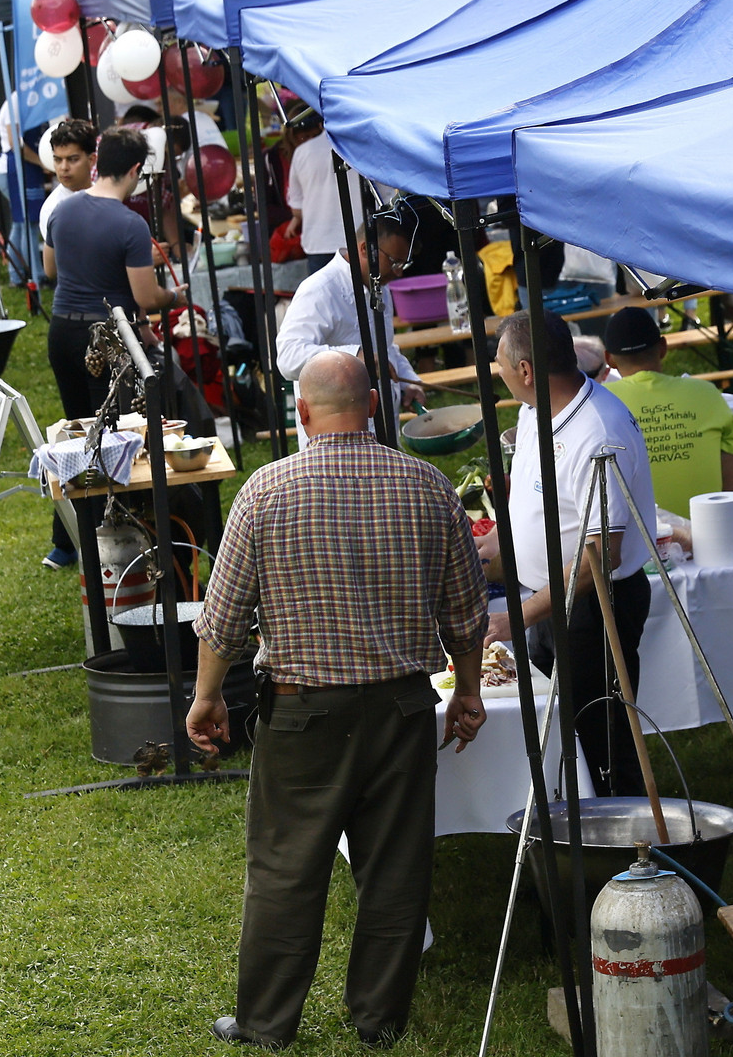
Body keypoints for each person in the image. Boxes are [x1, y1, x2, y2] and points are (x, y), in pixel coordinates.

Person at [188, 351, 488, 1051]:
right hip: (402, 710)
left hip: (302, 712)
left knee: (286, 868)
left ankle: (266, 1022)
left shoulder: (265, 492)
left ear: (300, 413)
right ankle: (379, 1017)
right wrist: (468, 690)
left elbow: (223, 618)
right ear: (375, 406)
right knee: (396, 866)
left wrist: (207, 698)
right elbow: (467, 613)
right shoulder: (427, 485)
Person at [482, 309, 660, 797]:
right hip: (549, 600)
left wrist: (515, 617)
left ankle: (629, 848)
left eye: (499, 362)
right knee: (561, 728)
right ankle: (572, 826)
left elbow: (599, 558)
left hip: (594, 610)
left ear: (525, 371)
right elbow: (539, 505)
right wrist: (489, 545)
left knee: (601, 737)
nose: (497, 371)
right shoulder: (535, 409)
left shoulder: (597, 433)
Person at [40, 127, 186, 569]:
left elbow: (51, 270)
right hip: (104, 340)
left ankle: (68, 543)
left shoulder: (62, 211)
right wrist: (174, 296)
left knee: (76, 439)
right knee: (116, 438)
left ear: (98, 161)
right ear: (137, 170)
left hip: (62, 333)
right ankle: (123, 534)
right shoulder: (130, 223)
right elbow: (145, 298)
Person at [274, 211, 424, 451]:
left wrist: (410, 382)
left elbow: (384, 349)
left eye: (403, 263)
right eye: (394, 262)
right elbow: (288, 358)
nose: (399, 272)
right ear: (364, 249)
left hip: (379, 433)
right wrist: (354, 357)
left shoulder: (379, 287)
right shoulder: (319, 289)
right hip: (332, 443)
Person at [602, 306, 733, 515]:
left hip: (638, 541)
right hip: (712, 532)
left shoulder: (601, 403)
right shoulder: (706, 394)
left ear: (609, 359)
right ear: (663, 347)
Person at [283, 111, 365, 275]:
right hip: (361, 239)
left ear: (321, 123)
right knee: (366, 298)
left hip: (319, 241)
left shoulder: (302, 152)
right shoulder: (365, 149)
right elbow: (386, 199)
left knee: (325, 297)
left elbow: (297, 208)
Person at [36, 117, 99, 287]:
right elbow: (59, 268)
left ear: (91, 160)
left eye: (72, 159)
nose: (63, 167)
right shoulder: (53, 208)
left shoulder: (104, 195)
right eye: (58, 159)